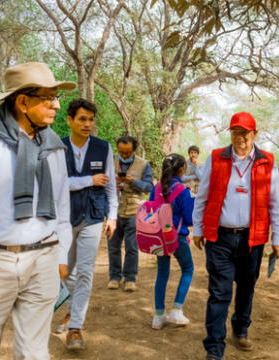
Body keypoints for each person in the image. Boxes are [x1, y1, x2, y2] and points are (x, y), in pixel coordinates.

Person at [0, 62, 74, 359]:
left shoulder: (53, 145)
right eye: (48, 97)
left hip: (44, 259)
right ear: (23, 102)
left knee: (34, 353)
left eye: (57, 97)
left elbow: (62, 205)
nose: (56, 105)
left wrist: (61, 253)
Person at [192, 112, 279, 360]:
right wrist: (198, 229)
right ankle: (214, 347)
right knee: (220, 292)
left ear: (255, 134)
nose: (240, 138)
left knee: (246, 288)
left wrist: (278, 238)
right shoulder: (216, 157)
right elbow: (202, 196)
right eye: (235, 132)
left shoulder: (267, 161)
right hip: (219, 238)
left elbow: (276, 203)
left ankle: (241, 328)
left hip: (252, 239)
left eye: (245, 133)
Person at [57, 99, 118, 350]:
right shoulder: (56, 148)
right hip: (63, 219)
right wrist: (89, 180)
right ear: (70, 120)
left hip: (93, 217)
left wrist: (112, 215)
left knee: (85, 272)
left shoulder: (103, 148)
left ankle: (75, 328)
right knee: (61, 272)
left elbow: (111, 184)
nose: (88, 124)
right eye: (82, 119)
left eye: (91, 119)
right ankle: (72, 308)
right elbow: (57, 184)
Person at [150, 154, 195, 329]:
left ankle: (159, 316)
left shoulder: (157, 188)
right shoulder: (183, 191)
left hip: (159, 236)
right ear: (182, 169)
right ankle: (176, 310)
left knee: (162, 274)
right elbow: (190, 219)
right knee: (188, 269)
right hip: (177, 237)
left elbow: (151, 208)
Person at [108, 135, 153, 290]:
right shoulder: (110, 160)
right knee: (113, 246)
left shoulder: (144, 164)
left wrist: (131, 181)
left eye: (127, 152)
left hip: (134, 210)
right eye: (121, 152)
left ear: (134, 150)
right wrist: (112, 180)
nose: (124, 155)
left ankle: (130, 278)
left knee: (131, 247)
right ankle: (114, 277)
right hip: (113, 209)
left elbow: (148, 187)